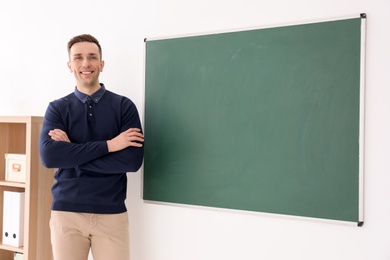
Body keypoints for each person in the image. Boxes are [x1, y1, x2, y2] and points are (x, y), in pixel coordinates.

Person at [39, 34, 144, 260]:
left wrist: (72, 153)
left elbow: (131, 162)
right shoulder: (57, 109)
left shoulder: (124, 107)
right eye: (78, 58)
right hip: (66, 214)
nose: (85, 63)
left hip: (111, 215)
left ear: (101, 64)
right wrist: (111, 145)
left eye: (92, 57)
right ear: (70, 65)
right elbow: (49, 157)